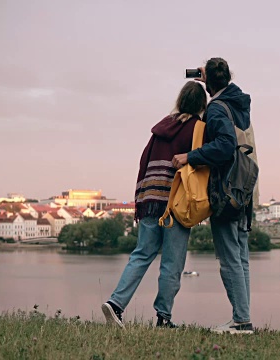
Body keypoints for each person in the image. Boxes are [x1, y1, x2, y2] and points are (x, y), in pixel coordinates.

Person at [102, 81, 207, 328]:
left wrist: (141, 198)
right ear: (202, 104)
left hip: (149, 200)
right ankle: (163, 318)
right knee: (172, 263)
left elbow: (143, 161)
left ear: (180, 100)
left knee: (141, 254)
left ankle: (116, 304)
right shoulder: (197, 129)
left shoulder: (161, 127)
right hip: (176, 204)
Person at [172, 57, 257, 334]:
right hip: (245, 190)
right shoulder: (237, 105)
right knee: (241, 256)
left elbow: (224, 146)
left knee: (229, 257)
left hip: (225, 191)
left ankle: (241, 322)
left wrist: (190, 156)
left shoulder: (218, 109)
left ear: (207, 80)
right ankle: (243, 317)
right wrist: (210, 79)